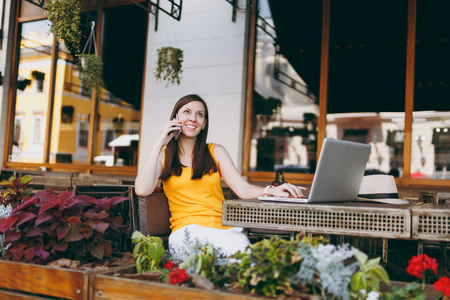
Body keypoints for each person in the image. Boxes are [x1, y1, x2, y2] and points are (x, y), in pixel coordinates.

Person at [135, 94, 306, 259]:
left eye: (199, 115)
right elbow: (142, 189)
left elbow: (243, 189)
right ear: (175, 118)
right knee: (239, 246)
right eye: (187, 112)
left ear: (204, 124)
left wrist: (272, 191)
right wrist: (159, 144)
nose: (193, 118)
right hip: (186, 233)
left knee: (240, 251)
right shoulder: (164, 156)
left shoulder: (216, 152)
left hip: (224, 229)